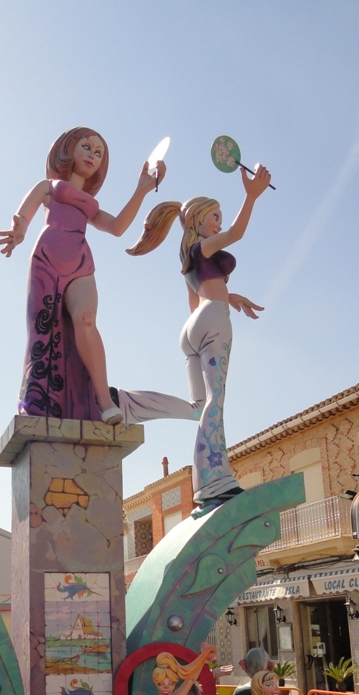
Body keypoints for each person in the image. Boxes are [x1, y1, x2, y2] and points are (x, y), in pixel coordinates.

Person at [0, 127, 166, 426]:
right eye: (87, 147)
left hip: (80, 263)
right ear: (68, 148)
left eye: (99, 153)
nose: (92, 155)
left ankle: (104, 401)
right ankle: (38, 402)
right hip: (47, 261)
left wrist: (141, 190)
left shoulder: (90, 205)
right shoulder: (49, 187)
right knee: (43, 330)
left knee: (86, 320)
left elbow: (117, 227)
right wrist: (18, 230)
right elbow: (24, 214)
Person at [127, 164, 272, 510]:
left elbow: (196, 303)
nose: (219, 223)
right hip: (212, 322)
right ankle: (212, 481)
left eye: (219, 217)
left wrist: (228, 297)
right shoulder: (205, 246)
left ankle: (129, 403)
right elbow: (236, 233)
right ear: (198, 219)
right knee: (215, 403)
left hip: (192, 328)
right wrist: (251, 196)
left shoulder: (189, 257)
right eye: (214, 216)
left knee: (199, 408)